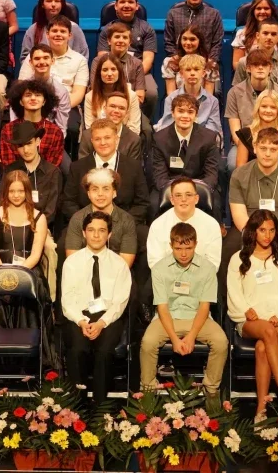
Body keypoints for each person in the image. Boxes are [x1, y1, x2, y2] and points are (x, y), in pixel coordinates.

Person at [140, 222, 228, 397]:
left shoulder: (207, 268)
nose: (183, 253)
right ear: (171, 245)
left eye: (188, 248)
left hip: (197, 317)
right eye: (179, 248)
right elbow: (162, 307)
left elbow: (205, 306)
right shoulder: (159, 269)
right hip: (167, 317)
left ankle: (211, 389)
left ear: (195, 244)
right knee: (148, 342)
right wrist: (174, 339)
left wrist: (191, 336)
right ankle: (148, 391)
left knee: (221, 341)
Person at [226, 210, 278, 414]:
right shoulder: (238, 259)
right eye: (262, 230)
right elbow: (234, 294)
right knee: (266, 331)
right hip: (250, 321)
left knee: (262, 348)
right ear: (253, 232)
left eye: (272, 230)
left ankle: (261, 409)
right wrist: (245, 311)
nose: (267, 235)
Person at [61, 211, 132, 402]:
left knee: (104, 352)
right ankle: (77, 407)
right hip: (79, 315)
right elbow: (67, 300)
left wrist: (102, 323)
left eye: (102, 230)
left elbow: (120, 300)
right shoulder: (72, 263)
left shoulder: (119, 264)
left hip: (108, 316)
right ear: (84, 233)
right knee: (77, 350)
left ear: (109, 234)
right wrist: (82, 322)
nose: (96, 235)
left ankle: (101, 407)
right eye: (91, 230)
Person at [225, 129, 278, 277]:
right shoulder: (239, 174)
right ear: (255, 148)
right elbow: (239, 217)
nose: (267, 154)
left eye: (273, 149)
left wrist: (272, 237)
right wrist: (258, 236)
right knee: (229, 248)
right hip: (249, 227)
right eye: (263, 148)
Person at [63, 118, 149, 228]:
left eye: (107, 138)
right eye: (98, 139)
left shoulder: (134, 167)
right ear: (92, 141)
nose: (103, 143)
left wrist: (122, 225)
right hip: (86, 225)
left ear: (116, 139)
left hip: (124, 226)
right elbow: (69, 202)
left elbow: (142, 204)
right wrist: (87, 225)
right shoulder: (77, 167)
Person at [226, 48, 278, 169]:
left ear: (270, 68)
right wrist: (255, 148)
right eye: (255, 64)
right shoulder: (234, 93)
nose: (260, 68)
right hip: (245, 143)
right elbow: (235, 132)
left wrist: (277, 146)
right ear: (248, 68)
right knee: (233, 166)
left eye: (264, 65)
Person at [151, 94, 221, 217]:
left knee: (215, 202)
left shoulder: (209, 138)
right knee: (153, 203)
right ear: (172, 113)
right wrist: (176, 193)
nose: (185, 116)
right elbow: (159, 175)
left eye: (190, 112)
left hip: (198, 186)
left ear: (196, 115)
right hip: (170, 186)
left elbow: (211, 174)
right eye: (180, 111)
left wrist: (192, 192)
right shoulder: (159, 138)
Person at [19, 16, 89, 118]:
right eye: (54, 31)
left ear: (70, 35)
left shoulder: (80, 60)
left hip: (67, 106)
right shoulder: (34, 56)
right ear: (47, 34)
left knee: (72, 129)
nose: (58, 34)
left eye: (62, 31)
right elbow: (22, 85)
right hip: (34, 104)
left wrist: (58, 109)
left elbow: (78, 95)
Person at [65, 168, 138, 267]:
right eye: (95, 189)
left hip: (118, 275)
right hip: (84, 274)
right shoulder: (77, 219)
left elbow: (125, 264)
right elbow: (72, 261)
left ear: (114, 192)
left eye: (106, 189)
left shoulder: (126, 220)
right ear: (88, 194)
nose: (100, 194)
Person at [147, 178, 223, 271]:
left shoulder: (212, 225)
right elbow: (155, 263)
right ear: (172, 199)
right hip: (166, 278)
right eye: (178, 195)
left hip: (201, 279)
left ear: (196, 199)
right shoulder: (157, 225)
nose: (183, 199)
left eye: (189, 195)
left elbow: (213, 264)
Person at [0, 171, 48, 271]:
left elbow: (36, 254)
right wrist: (3, 272)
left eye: (21, 191)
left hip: (28, 269)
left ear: (27, 191)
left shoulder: (39, 217)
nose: (16, 195)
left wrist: (19, 272)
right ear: (6, 192)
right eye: (11, 191)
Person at [4, 121, 62, 229]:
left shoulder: (52, 172)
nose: (25, 150)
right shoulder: (10, 171)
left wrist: (35, 228)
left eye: (29, 143)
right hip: (13, 228)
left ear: (38, 141)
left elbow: (51, 211)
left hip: (42, 228)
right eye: (21, 146)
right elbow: (3, 205)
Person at [154, 54, 222, 139]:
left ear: (203, 73)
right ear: (181, 74)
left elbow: (213, 130)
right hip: (177, 141)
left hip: (202, 143)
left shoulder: (212, 101)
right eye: (188, 70)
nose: (192, 73)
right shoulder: (171, 99)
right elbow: (167, 127)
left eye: (196, 69)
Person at [233, 20, 278, 108]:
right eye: (265, 33)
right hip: (249, 109)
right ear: (257, 36)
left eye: (273, 34)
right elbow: (237, 94)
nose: (269, 37)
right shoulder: (244, 62)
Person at [0, 79, 65, 167]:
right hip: (16, 179)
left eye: (38, 95)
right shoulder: (8, 130)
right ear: (21, 102)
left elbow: (53, 168)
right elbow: (9, 165)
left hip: (46, 179)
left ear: (44, 101)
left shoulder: (55, 132)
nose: (33, 98)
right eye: (28, 95)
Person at [164, 0, 224, 67]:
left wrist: (210, 61)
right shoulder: (173, 14)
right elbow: (169, 42)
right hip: (180, 61)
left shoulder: (214, 14)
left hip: (206, 61)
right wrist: (178, 59)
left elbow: (217, 43)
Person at [14, 44, 72, 137]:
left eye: (46, 58)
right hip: (23, 137)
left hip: (50, 137)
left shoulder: (61, 92)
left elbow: (61, 127)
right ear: (30, 62)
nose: (41, 62)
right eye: (37, 59)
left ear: (52, 61)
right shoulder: (21, 89)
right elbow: (15, 121)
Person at [234, 89, 278, 170]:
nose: (268, 111)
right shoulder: (245, 134)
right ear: (258, 108)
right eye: (264, 106)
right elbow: (240, 170)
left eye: (273, 107)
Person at [97, 0, 157, 74]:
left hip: (140, 73)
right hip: (111, 74)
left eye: (130, 2)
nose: (126, 5)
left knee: (151, 88)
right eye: (122, 2)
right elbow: (102, 58)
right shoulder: (107, 29)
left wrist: (135, 77)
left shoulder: (147, 29)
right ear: (116, 6)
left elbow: (148, 60)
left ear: (136, 6)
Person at [21, 0, 89, 62]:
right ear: (42, 4)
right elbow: (25, 58)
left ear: (62, 4)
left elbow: (83, 56)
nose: (53, 4)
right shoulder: (33, 30)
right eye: (49, 1)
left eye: (57, 1)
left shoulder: (74, 28)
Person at [94, 21, 148, 114]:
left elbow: (140, 96)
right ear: (109, 41)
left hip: (129, 109)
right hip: (102, 108)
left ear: (130, 42)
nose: (121, 40)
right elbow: (95, 92)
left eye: (125, 37)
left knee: (147, 128)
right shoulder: (98, 61)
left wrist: (121, 109)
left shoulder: (137, 63)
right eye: (117, 37)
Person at [85, 53, 142, 134]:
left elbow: (134, 129)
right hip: (99, 141)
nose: (109, 74)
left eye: (113, 69)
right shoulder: (90, 97)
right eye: (105, 70)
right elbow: (89, 129)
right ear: (99, 73)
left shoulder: (131, 96)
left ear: (119, 72)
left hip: (124, 142)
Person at [231, 0, 278, 68]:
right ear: (253, 11)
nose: (262, 11)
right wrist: (255, 74)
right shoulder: (242, 34)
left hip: (277, 76)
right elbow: (236, 63)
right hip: (249, 75)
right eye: (258, 8)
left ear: (272, 11)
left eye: (266, 8)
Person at [77, 93, 143, 160]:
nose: (116, 111)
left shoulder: (134, 140)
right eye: (112, 106)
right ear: (105, 109)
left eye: (121, 108)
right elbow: (82, 166)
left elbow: (133, 168)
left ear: (126, 112)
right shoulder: (87, 135)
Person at [161, 25, 218, 95]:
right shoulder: (170, 62)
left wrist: (196, 105)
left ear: (199, 41)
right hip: (178, 103)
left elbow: (208, 97)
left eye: (192, 39)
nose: (187, 43)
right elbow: (171, 94)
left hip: (202, 104)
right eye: (184, 39)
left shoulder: (210, 65)